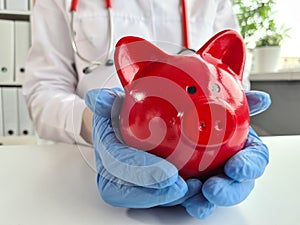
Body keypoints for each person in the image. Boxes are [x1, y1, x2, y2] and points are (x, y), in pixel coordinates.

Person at [23, 0, 271, 220]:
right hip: (86, 185)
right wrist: (96, 124)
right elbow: (44, 88)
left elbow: (231, 80)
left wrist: (237, 126)